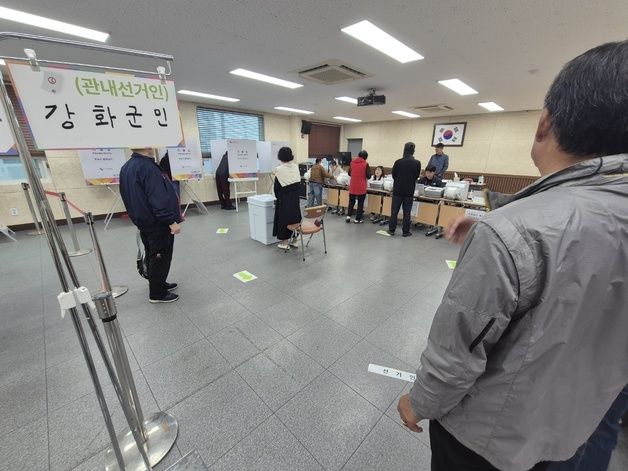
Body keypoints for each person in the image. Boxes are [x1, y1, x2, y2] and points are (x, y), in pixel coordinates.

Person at [397, 40, 628, 471]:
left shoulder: (509, 235)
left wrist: (419, 402)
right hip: (570, 428)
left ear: (545, 123)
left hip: (488, 440)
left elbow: (457, 353)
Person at [120, 147, 182, 303]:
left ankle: (158, 283)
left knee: (152, 254)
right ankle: (157, 293)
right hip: (157, 223)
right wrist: (170, 221)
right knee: (160, 257)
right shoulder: (148, 167)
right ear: (148, 145)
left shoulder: (127, 166)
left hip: (143, 220)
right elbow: (158, 198)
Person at [388, 142, 421, 236]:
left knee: (394, 211)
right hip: (409, 191)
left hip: (397, 190)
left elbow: (394, 175)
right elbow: (416, 176)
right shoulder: (417, 163)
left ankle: (391, 230)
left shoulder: (398, 162)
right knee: (407, 212)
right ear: (413, 151)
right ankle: (405, 232)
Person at [272, 147, 302, 250]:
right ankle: (294, 241)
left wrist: (278, 197)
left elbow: (277, 188)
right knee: (295, 218)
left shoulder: (279, 170)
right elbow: (298, 184)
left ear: (280, 156)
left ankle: (285, 243)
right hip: (295, 199)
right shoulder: (296, 167)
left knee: (284, 220)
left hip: (284, 200)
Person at [346, 150, 371, 223]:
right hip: (361, 187)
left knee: (351, 201)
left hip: (353, 186)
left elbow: (349, 173)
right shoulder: (365, 164)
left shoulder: (352, 163)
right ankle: (357, 219)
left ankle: (348, 216)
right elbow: (369, 176)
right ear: (365, 157)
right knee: (360, 203)